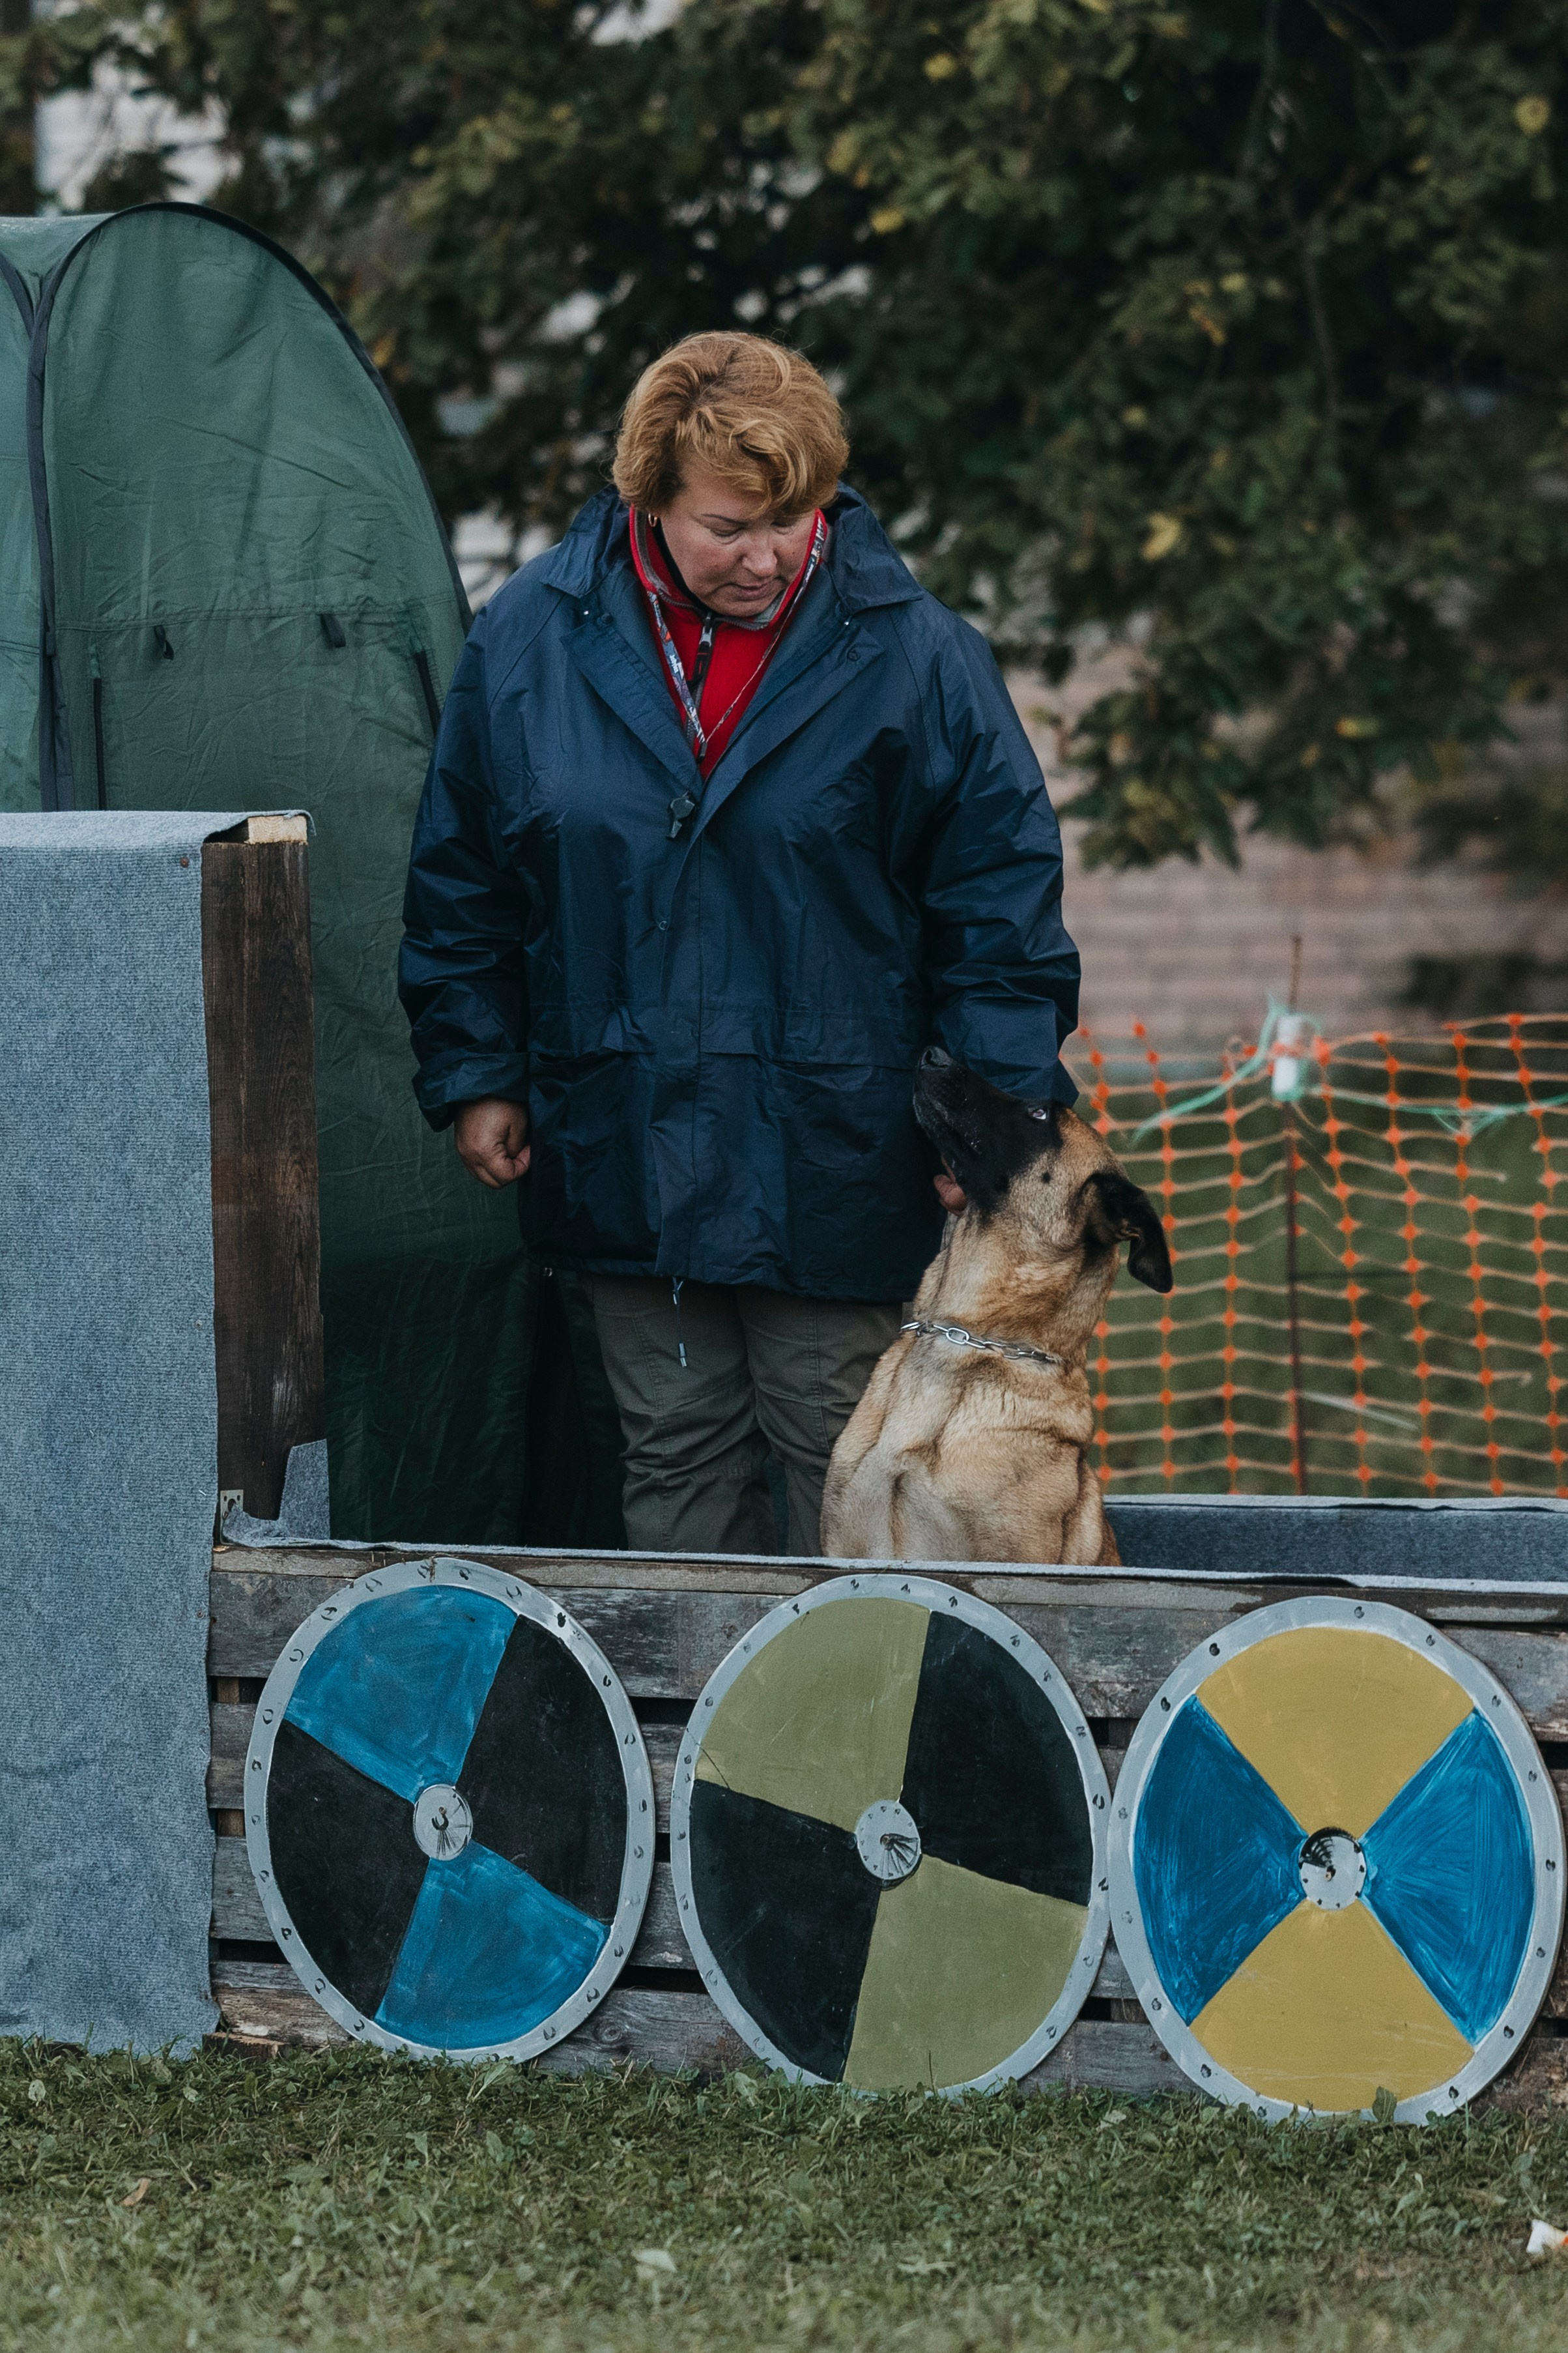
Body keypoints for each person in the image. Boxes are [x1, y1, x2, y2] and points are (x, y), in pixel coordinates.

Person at [399, 332, 1079, 1556]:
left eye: (795, 520)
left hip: (839, 1160)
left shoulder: (919, 657)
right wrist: (479, 1068)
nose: (766, 557)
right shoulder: (527, 645)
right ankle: (689, 1745)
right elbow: (464, 877)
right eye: (729, 527)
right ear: (647, 498)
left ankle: (844, 1753)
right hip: (624, 1148)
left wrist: (988, 1122)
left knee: (841, 1463)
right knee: (671, 1466)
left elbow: (1001, 906)